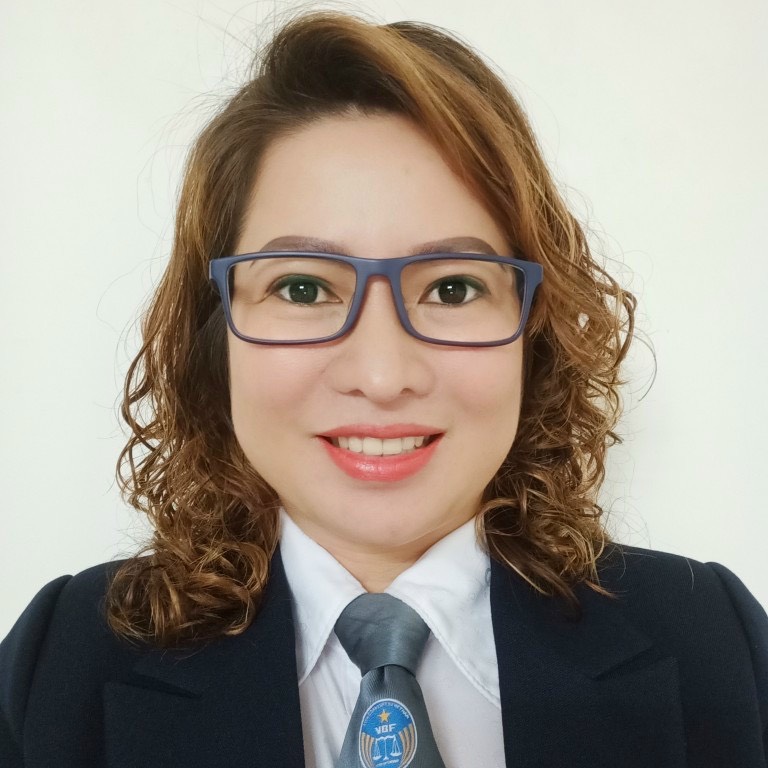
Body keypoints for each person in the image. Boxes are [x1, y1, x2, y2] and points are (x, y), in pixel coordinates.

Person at [1, 10, 766, 768]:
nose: (381, 375)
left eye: (453, 288)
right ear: (215, 331)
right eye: (303, 288)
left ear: (536, 330)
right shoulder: (58, 664)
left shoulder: (715, 643)